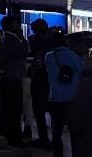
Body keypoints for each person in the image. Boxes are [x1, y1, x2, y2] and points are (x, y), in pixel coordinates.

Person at [44, 30, 83, 157]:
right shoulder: (73, 55)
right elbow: (82, 69)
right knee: (74, 130)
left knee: (56, 130)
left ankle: (58, 154)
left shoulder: (48, 56)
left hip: (55, 97)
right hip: (72, 97)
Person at [0, 15, 28, 147]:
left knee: (11, 109)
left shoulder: (6, 39)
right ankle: (15, 138)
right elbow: (23, 53)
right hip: (12, 79)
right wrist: (23, 39)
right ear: (10, 25)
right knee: (14, 110)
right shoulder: (11, 40)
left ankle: (12, 135)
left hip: (9, 78)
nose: (18, 26)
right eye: (15, 23)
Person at [27, 18, 52, 148]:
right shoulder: (52, 41)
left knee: (39, 109)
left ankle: (43, 138)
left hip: (39, 78)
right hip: (50, 78)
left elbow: (33, 55)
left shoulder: (35, 41)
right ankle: (51, 138)